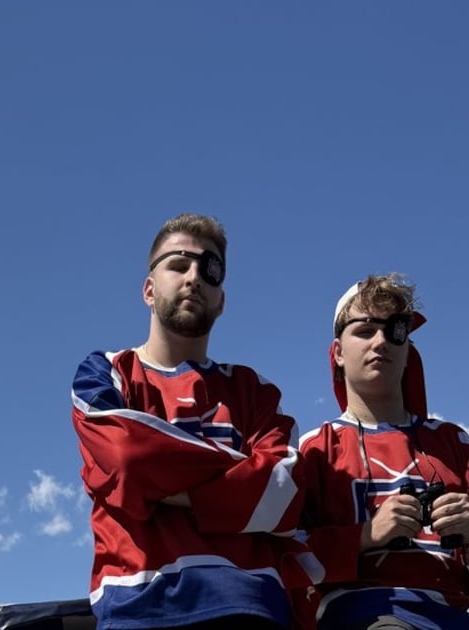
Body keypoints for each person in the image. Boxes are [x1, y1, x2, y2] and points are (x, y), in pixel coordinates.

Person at [71, 214, 315, 630]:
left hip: (251, 602)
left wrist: (157, 486)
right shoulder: (105, 373)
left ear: (221, 300)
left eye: (209, 269)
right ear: (149, 289)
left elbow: (284, 492)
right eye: (178, 264)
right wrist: (239, 475)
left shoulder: (253, 390)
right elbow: (127, 458)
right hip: (139, 602)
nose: (193, 277)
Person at [296, 274, 469, 630]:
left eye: (395, 331)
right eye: (364, 330)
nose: (381, 342)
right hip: (358, 616)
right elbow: (282, 555)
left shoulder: (452, 443)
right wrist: (365, 535)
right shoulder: (315, 450)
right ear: (338, 352)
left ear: (408, 351)